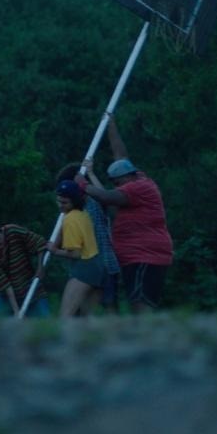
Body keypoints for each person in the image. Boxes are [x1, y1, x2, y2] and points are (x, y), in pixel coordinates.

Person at [78, 117, 173, 313]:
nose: (117, 186)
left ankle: (149, 337)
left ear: (128, 176)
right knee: (135, 300)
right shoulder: (132, 179)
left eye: (118, 182)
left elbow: (105, 197)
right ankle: (145, 335)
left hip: (146, 255)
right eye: (113, 182)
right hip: (134, 256)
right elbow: (120, 155)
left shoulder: (139, 187)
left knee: (140, 301)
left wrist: (82, 184)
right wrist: (111, 125)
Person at [56, 161, 121, 314]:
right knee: (83, 314)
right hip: (86, 267)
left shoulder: (93, 203)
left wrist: (90, 174)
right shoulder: (71, 211)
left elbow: (106, 198)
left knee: (110, 310)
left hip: (104, 264)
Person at [0, 214, 50, 318]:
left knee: (46, 322)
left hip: (32, 290)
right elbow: (5, 285)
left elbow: (39, 243)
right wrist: (16, 311)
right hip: (7, 297)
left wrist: (40, 268)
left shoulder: (13, 231)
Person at [48, 180, 105, 317]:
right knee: (84, 319)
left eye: (64, 203)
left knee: (65, 316)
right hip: (98, 268)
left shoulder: (70, 220)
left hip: (84, 268)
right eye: (59, 201)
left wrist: (54, 250)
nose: (60, 206)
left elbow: (75, 254)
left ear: (74, 201)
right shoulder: (83, 214)